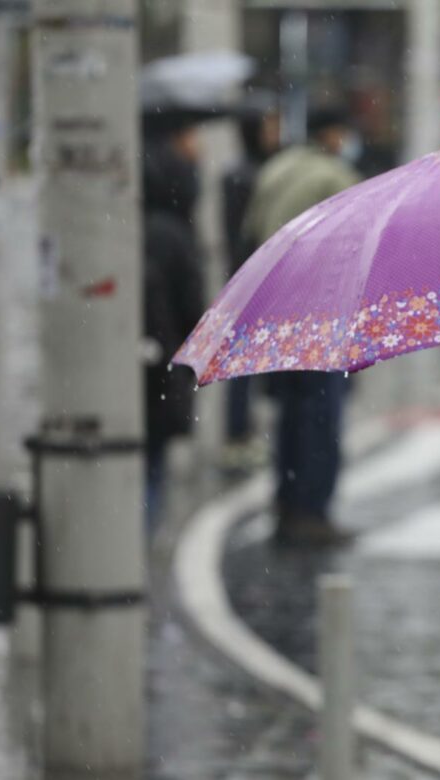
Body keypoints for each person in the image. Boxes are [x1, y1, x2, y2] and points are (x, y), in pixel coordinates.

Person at [243, 108, 362, 545]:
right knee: (321, 415)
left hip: (274, 308)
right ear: (331, 134)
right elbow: (356, 248)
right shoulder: (335, 177)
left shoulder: (276, 168)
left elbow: (252, 229)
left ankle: (288, 502)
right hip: (319, 312)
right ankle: (312, 511)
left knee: (291, 413)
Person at [142, 122, 205, 529]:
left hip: (130, 367)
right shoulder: (176, 237)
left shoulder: (131, 227)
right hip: (161, 371)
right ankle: (138, 557)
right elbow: (192, 312)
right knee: (152, 468)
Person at [220, 95, 282, 470]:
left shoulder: (257, 170)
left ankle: (244, 432)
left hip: (252, 276)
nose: (275, 133)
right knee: (242, 366)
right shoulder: (244, 175)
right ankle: (238, 434)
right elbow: (244, 233)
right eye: (269, 125)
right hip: (251, 280)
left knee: (250, 364)